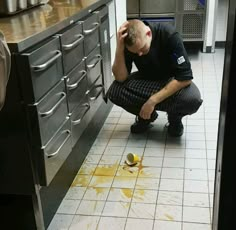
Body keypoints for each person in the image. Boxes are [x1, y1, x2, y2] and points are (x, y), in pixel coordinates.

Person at [106, 19, 203, 137]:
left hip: (171, 80)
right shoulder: (132, 44)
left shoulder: (169, 35)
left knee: (192, 99)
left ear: (149, 34)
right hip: (147, 80)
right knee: (115, 91)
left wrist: (152, 101)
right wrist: (120, 48)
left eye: (142, 49)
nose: (139, 54)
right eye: (135, 52)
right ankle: (145, 117)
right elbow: (120, 78)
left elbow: (185, 77)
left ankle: (175, 118)